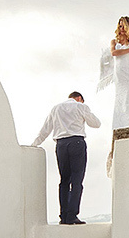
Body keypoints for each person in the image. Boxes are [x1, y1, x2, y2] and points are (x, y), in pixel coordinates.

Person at [32, 91, 101, 225]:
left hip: (61, 145)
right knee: (77, 180)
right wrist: (84, 114)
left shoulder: (56, 108)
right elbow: (96, 124)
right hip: (76, 142)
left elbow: (45, 129)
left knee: (64, 181)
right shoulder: (80, 106)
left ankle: (63, 216)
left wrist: (34, 144)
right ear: (79, 98)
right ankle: (72, 215)